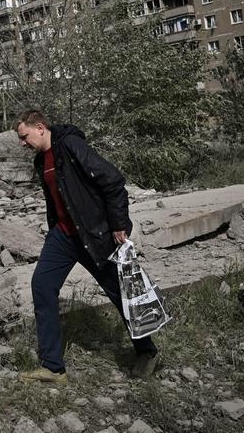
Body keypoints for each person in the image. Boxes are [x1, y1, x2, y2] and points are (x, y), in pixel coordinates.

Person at [15, 109, 159, 383]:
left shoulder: (70, 145)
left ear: (40, 127)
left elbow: (113, 180)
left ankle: (147, 352)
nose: (23, 143)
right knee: (42, 285)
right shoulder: (40, 161)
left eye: (25, 136)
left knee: (120, 293)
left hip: (94, 234)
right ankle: (53, 367)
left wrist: (118, 224)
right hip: (63, 236)